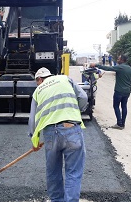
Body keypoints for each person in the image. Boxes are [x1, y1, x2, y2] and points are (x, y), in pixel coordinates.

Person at [28, 67, 88, 202]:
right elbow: (83, 97)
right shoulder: (65, 79)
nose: (38, 84)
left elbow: (33, 119)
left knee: (53, 172)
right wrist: (75, 110)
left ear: (39, 79)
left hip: (50, 133)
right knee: (73, 172)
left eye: (37, 82)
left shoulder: (38, 91)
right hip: (72, 129)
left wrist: (34, 141)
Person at [90, 54, 131, 129]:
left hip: (119, 91)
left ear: (122, 60)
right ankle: (123, 123)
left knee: (116, 106)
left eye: (119, 59)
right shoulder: (130, 69)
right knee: (124, 106)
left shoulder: (120, 67)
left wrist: (96, 65)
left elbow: (108, 68)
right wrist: (129, 89)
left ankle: (119, 124)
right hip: (127, 92)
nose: (117, 60)